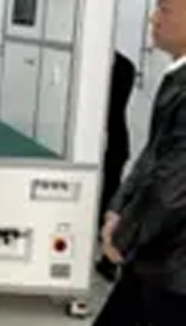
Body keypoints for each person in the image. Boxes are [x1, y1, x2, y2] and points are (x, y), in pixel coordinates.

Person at [95, 0, 186, 326]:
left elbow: (173, 187)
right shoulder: (176, 78)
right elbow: (152, 157)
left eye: (165, 8)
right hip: (155, 258)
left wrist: (122, 236)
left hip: (174, 269)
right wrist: (118, 208)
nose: (154, 18)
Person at [95, 51, 136, 282]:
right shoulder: (125, 65)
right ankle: (107, 253)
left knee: (111, 193)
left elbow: (110, 107)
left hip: (110, 141)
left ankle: (108, 253)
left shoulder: (115, 66)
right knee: (111, 189)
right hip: (115, 140)